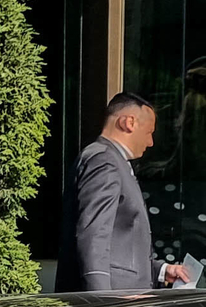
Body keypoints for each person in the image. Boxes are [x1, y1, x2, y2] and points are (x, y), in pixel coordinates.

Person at [72, 90, 193, 293]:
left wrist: (161, 271)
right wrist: (102, 300)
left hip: (122, 298)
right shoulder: (104, 161)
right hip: (114, 303)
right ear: (128, 123)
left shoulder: (111, 161)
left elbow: (120, 247)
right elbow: (94, 234)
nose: (150, 142)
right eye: (148, 132)